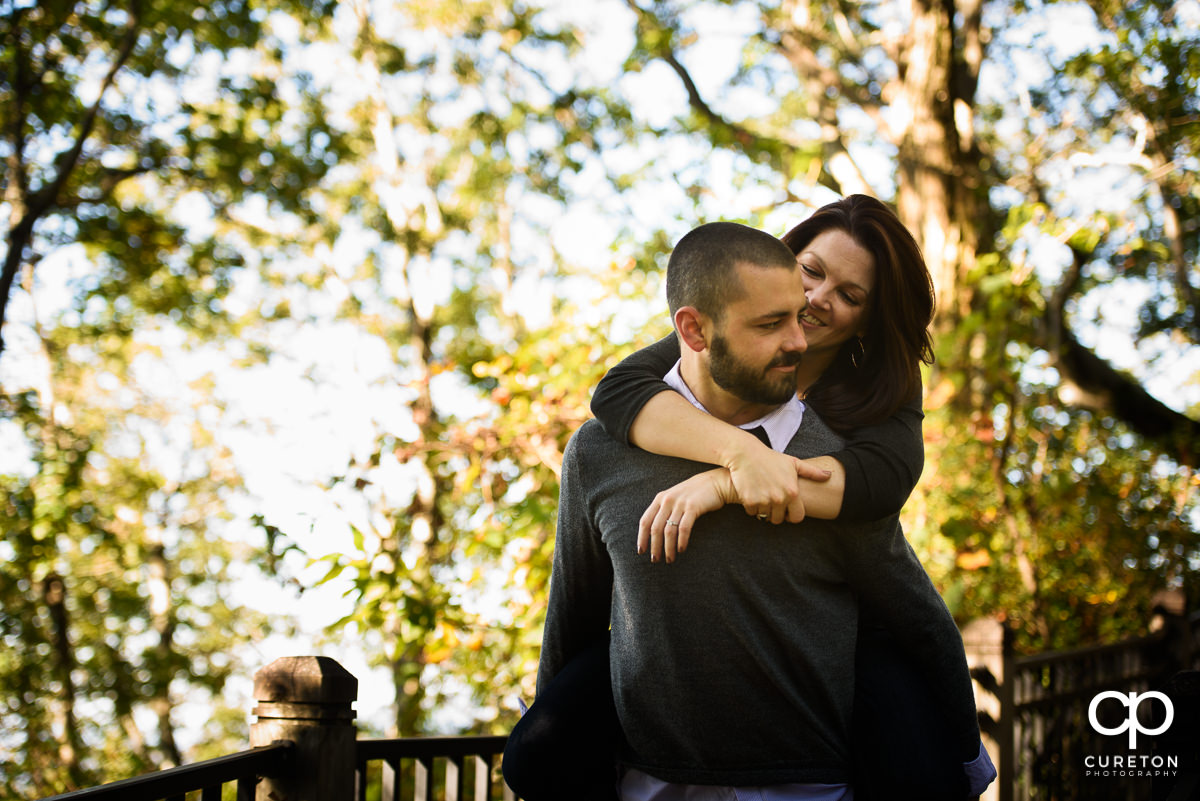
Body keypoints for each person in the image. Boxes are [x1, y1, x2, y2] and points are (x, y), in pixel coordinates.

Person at [504, 217, 994, 799]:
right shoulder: (642, 404)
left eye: (850, 295)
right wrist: (739, 453)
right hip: (656, 746)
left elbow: (899, 555)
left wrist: (731, 483)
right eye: (810, 273)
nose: (814, 302)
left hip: (833, 699)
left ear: (868, 319)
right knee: (536, 752)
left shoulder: (864, 415)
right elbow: (616, 393)